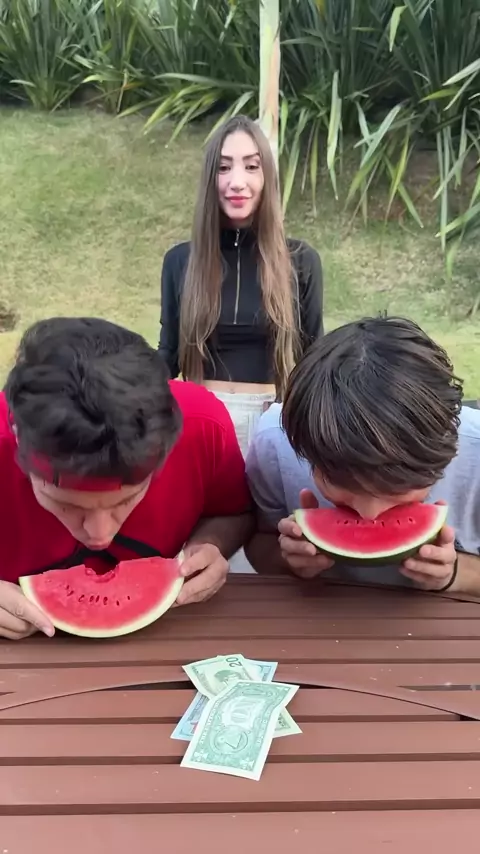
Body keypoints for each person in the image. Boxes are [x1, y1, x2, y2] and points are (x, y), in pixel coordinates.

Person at [0, 317, 253, 641]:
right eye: (68, 505)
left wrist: (211, 544)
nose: (100, 535)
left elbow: (233, 513)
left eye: (127, 499)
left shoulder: (203, 427)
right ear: (18, 439)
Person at [244, 315, 480, 596]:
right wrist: (288, 561)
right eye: (338, 481)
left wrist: (455, 575)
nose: (370, 514)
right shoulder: (276, 442)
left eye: (397, 485)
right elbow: (259, 543)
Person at [158, 114, 323, 456]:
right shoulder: (180, 261)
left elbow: (316, 361)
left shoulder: (301, 261)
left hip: (275, 426)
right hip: (198, 424)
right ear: (210, 178)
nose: (236, 182)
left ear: (267, 177)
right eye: (223, 168)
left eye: (251, 167)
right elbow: (168, 356)